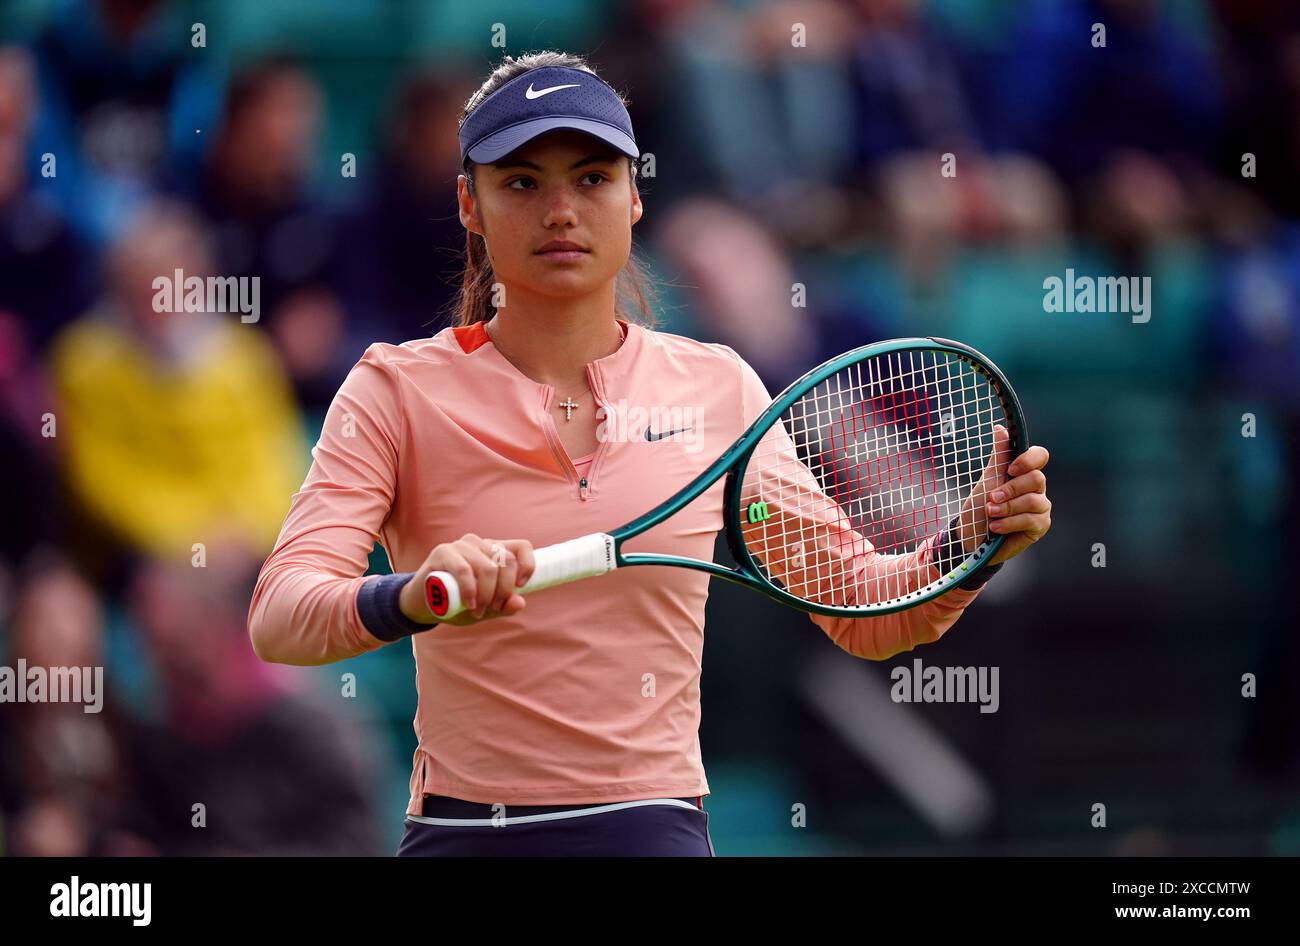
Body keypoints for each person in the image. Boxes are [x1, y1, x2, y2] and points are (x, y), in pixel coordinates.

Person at [247, 50, 1052, 856]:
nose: (560, 209)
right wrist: (413, 596)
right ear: (470, 203)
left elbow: (868, 614)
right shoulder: (392, 390)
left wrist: (969, 543)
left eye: (592, 178)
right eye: (522, 182)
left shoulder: (720, 389)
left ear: (634, 198)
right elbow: (281, 616)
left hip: (653, 834)